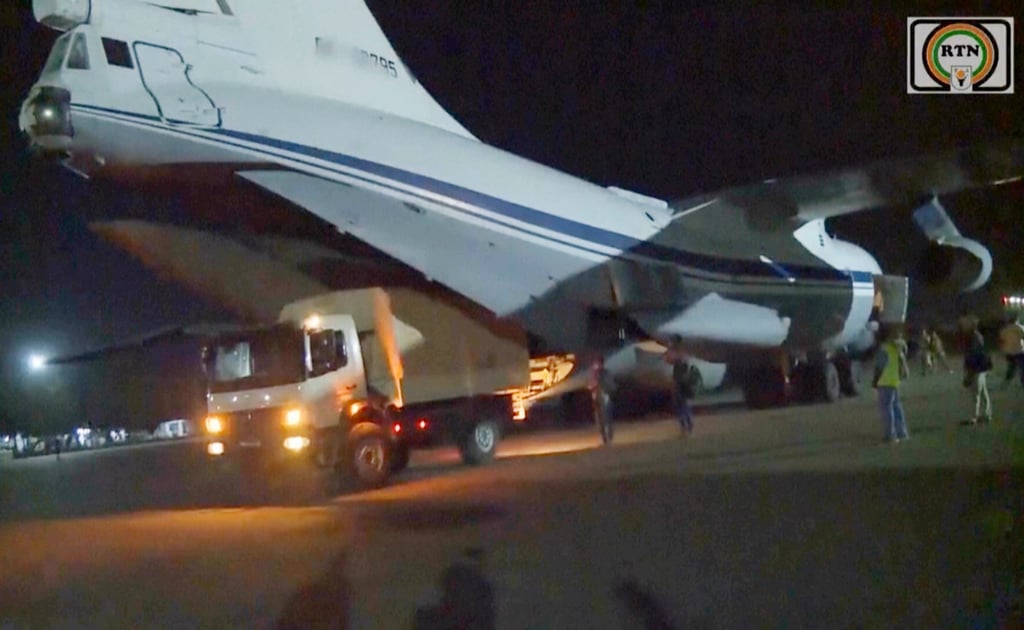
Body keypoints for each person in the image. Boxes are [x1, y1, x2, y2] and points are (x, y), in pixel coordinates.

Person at [873, 326, 910, 443]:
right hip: (894, 381)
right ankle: (902, 432)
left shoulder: (884, 349)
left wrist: (875, 381)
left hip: (884, 382)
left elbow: (879, 367)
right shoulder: (896, 349)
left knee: (887, 409)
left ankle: (891, 435)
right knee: (897, 407)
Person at [962, 316, 993, 425]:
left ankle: (975, 416)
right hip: (980, 367)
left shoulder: (974, 337)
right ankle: (987, 414)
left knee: (976, 392)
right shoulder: (975, 337)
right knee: (982, 391)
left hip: (977, 367)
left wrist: (968, 372)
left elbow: (973, 354)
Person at [664, 337, 698, 435]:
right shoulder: (681, 352)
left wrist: (669, 351)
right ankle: (686, 426)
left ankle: (687, 426)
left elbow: (671, 359)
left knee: (682, 404)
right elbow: (669, 360)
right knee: (680, 404)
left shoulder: (681, 352)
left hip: (681, 381)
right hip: (679, 380)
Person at [587, 356, 615, 444]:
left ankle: (609, 437)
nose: (596, 365)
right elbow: (590, 385)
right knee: (599, 419)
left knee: (607, 418)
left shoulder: (606, 373)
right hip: (596, 397)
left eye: (598, 363)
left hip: (604, 396)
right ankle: (604, 439)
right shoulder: (593, 374)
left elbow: (610, 384)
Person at [998, 313, 1024, 389]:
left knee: (1011, 367)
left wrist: (1002, 349)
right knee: (1022, 367)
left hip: (1008, 351)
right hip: (1018, 351)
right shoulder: (1019, 328)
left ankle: (1006, 381)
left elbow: (1001, 340)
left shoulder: (1004, 329)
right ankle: (1022, 382)